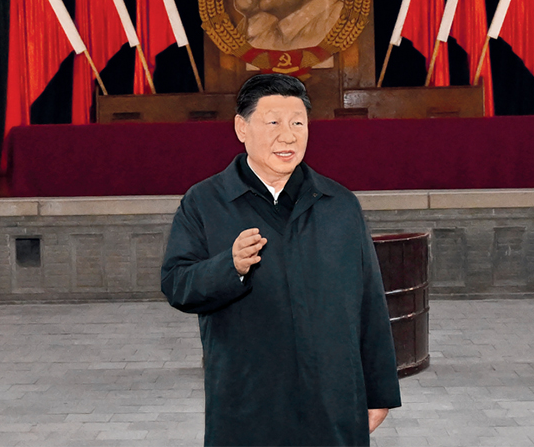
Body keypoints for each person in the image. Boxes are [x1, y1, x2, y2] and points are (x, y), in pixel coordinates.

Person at [161, 74, 401, 447]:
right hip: (247, 404)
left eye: (297, 123)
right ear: (241, 128)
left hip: (332, 401)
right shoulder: (205, 202)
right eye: (273, 122)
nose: (287, 136)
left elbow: (370, 302)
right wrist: (230, 267)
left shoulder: (339, 205)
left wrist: (380, 391)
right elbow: (177, 284)